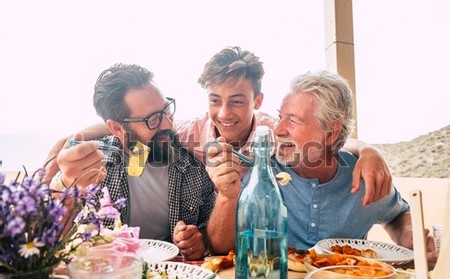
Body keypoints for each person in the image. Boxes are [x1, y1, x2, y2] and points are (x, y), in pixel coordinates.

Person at [43, 46, 392, 208]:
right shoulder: (187, 131)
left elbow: (321, 140)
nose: (223, 114)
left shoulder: (275, 131)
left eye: (237, 101)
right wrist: (71, 138)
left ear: (257, 100)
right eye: (214, 100)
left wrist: (367, 150)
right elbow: (136, 126)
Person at [206, 70, 437, 262]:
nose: (279, 129)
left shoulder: (363, 176)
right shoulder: (264, 171)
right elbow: (221, 246)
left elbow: (397, 214)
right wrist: (227, 196)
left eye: (293, 120)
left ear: (330, 131)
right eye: (280, 117)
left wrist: (409, 236)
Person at [49, 63, 235, 260]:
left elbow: (211, 233)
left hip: (170, 278)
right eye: (152, 119)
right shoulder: (89, 166)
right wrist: (65, 188)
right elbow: (51, 241)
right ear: (116, 128)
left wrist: (200, 240)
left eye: (166, 110)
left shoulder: (192, 164)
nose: (168, 124)